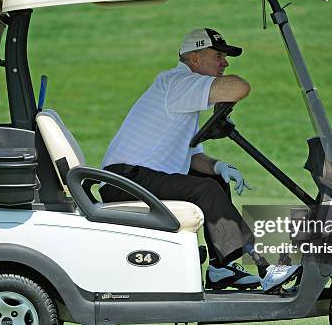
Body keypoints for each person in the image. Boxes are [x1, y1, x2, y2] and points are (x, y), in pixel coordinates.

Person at [100, 28, 300, 292]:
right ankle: (265, 266)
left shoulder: (183, 94)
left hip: (137, 176)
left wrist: (219, 166)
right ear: (194, 59)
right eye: (218, 56)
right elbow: (240, 87)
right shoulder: (179, 83)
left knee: (212, 178)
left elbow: (194, 158)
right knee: (205, 190)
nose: (225, 62)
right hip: (124, 181)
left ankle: (221, 269)